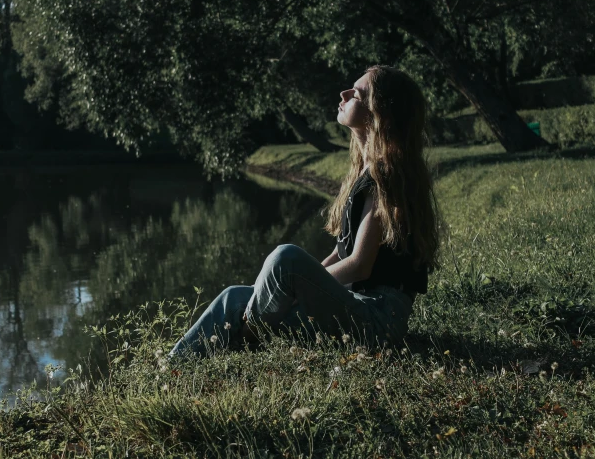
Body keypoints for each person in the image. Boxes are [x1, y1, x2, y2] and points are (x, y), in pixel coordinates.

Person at [169, 65, 440, 358]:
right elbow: (341, 253)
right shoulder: (364, 170)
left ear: (379, 114)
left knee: (285, 258)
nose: (344, 93)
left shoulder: (388, 175)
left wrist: (300, 286)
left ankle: (245, 341)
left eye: (357, 95)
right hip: (354, 305)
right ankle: (172, 367)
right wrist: (303, 288)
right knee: (234, 297)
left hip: (377, 320)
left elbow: (360, 264)